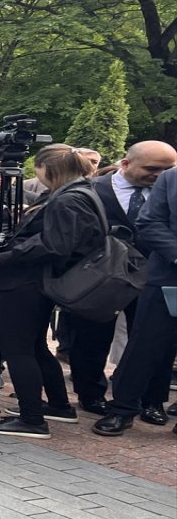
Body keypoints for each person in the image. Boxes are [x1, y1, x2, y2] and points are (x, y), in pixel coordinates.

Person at [0, 145, 104, 438]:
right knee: (34, 346)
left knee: (17, 348)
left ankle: (31, 419)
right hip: (39, 281)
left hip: (27, 282)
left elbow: (55, 245)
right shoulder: (80, 192)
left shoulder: (68, 199)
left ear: (48, 168)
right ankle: (58, 405)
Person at [60, 141, 175, 414]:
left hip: (153, 276)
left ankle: (152, 401)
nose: (159, 175)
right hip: (101, 277)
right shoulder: (92, 189)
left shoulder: (170, 189)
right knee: (89, 338)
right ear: (125, 163)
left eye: (167, 169)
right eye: (151, 168)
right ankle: (91, 395)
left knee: (157, 343)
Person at [95, 166, 177, 437]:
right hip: (168, 275)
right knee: (145, 344)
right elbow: (151, 222)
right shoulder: (171, 177)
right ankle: (122, 409)